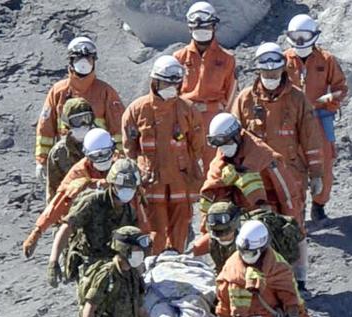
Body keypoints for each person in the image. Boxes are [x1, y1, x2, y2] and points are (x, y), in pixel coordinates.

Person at [231, 42, 322, 286]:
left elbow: (311, 139)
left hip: (291, 175)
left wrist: (316, 174)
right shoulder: (245, 100)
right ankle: (262, 279)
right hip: (256, 178)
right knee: (257, 225)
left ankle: (298, 279)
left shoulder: (298, 100)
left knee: (294, 226)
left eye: (275, 72)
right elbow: (233, 139)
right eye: (266, 73)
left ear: (283, 69)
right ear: (258, 71)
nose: (271, 77)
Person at [122, 55, 205, 254]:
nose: (171, 86)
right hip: (151, 182)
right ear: (155, 81)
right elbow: (130, 149)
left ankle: (176, 260)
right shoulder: (137, 110)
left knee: (180, 229)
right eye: (166, 82)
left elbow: (197, 146)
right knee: (153, 231)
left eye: (175, 83)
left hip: (180, 181)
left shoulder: (188, 110)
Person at [40, 159, 150, 294]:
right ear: (112, 183)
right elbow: (66, 227)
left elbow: (134, 246)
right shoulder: (92, 202)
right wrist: (53, 261)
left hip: (114, 264)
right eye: (122, 186)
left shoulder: (129, 212)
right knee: (92, 303)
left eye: (131, 187)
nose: (127, 191)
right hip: (89, 263)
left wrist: (138, 277)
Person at [283, 14, 348, 222]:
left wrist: (330, 99)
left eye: (305, 35)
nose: (300, 41)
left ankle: (319, 204)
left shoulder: (326, 60)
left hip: (320, 118)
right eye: (296, 36)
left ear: (314, 35)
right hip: (292, 121)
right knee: (292, 163)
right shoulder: (283, 60)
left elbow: (341, 87)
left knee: (325, 163)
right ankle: (297, 208)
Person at [34, 36, 125, 179]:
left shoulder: (105, 92)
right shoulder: (58, 92)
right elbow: (45, 128)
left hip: (98, 160)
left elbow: (119, 129)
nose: (84, 63)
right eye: (78, 58)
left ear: (94, 61)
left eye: (88, 59)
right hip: (65, 159)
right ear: (70, 61)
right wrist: (42, 160)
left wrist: (119, 160)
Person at [23, 129, 118, 259]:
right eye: (96, 156)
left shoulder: (121, 165)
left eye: (105, 154)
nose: (101, 159)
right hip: (90, 226)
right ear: (87, 155)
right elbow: (59, 202)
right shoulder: (78, 173)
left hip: (119, 221)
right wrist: (38, 231)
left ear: (113, 149)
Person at [198, 113, 301, 224]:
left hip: (265, 216)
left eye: (226, 142)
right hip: (235, 216)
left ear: (237, 136)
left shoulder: (264, 157)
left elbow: (288, 195)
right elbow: (210, 192)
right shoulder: (221, 158)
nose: (223, 148)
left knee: (248, 178)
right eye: (219, 145)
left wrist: (295, 228)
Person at [173, 2, 237, 166]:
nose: (202, 31)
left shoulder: (226, 59)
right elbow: (172, 93)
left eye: (206, 26)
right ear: (189, 28)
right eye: (196, 26)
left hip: (214, 120)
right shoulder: (178, 58)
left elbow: (230, 97)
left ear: (214, 26)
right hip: (185, 118)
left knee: (214, 165)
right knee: (184, 165)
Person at [45, 98, 95, 203]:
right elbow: (53, 190)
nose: (83, 124)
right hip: (73, 208)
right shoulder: (59, 153)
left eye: (87, 118)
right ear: (68, 123)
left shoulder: (102, 143)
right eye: (77, 121)